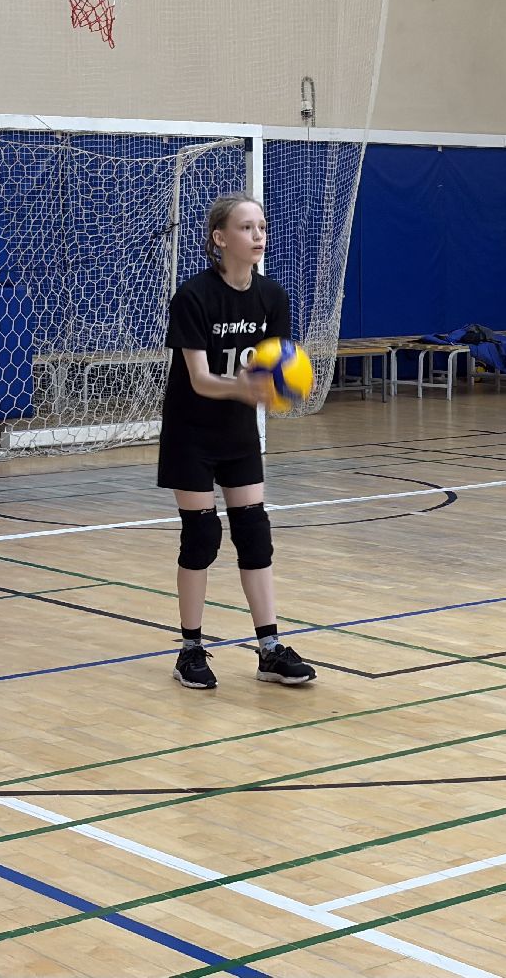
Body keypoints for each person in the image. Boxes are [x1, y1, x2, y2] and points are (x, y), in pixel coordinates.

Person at [158, 194, 316, 689]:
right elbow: (201, 380)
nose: (258, 235)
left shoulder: (272, 297)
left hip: (238, 432)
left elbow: (278, 364)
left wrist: (275, 388)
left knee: (254, 533)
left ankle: (269, 649)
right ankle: (190, 650)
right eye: (246, 227)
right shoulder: (193, 297)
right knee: (201, 536)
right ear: (220, 238)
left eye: (261, 226)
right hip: (190, 431)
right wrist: (246, 387)